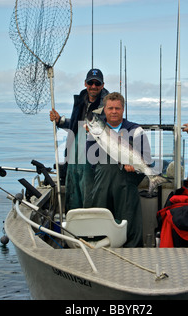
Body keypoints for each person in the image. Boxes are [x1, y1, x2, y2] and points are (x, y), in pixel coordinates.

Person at [89, 92, 151, 247]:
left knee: (129, 224)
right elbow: (90, 159)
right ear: (104, 110)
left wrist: (135, 168)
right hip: (102, 185)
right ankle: (100, 252)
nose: (114, 111)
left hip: (127, 185)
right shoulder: (96, 131)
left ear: (123, 109)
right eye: (110, 108)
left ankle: (133, 253)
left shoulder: (136, 130)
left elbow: (147, 158)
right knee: (101, 223)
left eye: (117, 108)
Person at [50, 69, 109, 212]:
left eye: (97, 83)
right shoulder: (80, 100)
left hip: (93, 157)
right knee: (72, 192)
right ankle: (72, 226)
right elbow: (76, 124)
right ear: (85, 83)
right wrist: (60, 121)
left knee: (90, 194)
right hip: (73, 155)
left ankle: (90, 230)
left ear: (102, 85)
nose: (93, 86)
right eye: (90, 82)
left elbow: (110, 128)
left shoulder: (107, 104)